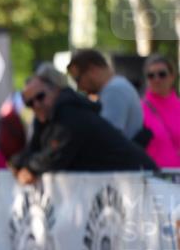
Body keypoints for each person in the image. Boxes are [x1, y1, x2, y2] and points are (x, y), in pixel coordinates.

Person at [11, 68, 158, 184]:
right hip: (120, 184)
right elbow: (35, 150)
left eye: (40, 96)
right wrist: (19, 165)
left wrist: (29, 168)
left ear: (55, 90)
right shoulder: (45, 118)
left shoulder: (70, 113)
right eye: (29, 103)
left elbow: (55, 156)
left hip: (140, 181)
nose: (36, 104)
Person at [67, 48, 144, 140]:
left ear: (93, 69)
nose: (79, 87)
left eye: (78, 79)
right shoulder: (117, 86)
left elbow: (106, 138)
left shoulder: (114, 91)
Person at [140, 54, 180, 168]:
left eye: (162, 74)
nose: (156, 79)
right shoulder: (138, 109)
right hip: (152, 180)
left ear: (172, 76)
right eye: (151, 75)